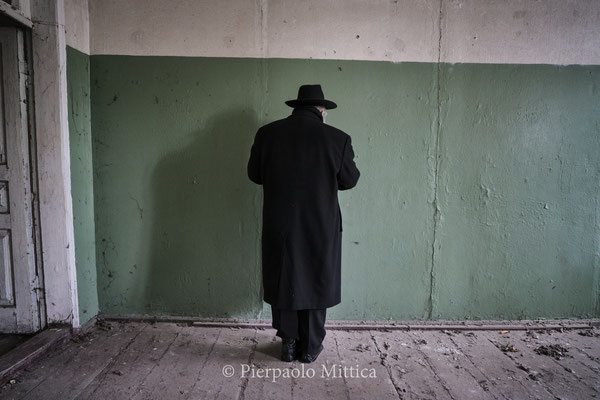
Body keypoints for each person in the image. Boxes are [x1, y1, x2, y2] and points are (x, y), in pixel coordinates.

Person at [247, 84, 360, 363]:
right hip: (321, 224)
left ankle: (287, 344)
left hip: (280, 222)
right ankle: (310, 348)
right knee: (316, 279)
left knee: (286, 276)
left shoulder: (267, 133)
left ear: (296, 107)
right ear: (321, 111)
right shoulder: (337, 138)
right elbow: (349, 180)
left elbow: (254, 175)